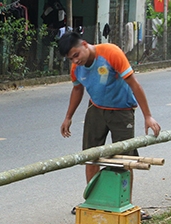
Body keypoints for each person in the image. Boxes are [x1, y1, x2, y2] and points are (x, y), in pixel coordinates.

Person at [58, 31, 161, 213]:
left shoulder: (111, 53)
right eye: (71, 59)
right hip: (96, 109)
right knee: (91, 157)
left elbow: (134, 84)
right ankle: (92, 201)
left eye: (76, 55)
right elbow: (77, 90)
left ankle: (125, 204)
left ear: (84, 44)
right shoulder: (76, 68)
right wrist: (68, 117)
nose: (75, 60)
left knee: (125, 159)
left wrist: (148, 116)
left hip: (122, 111)